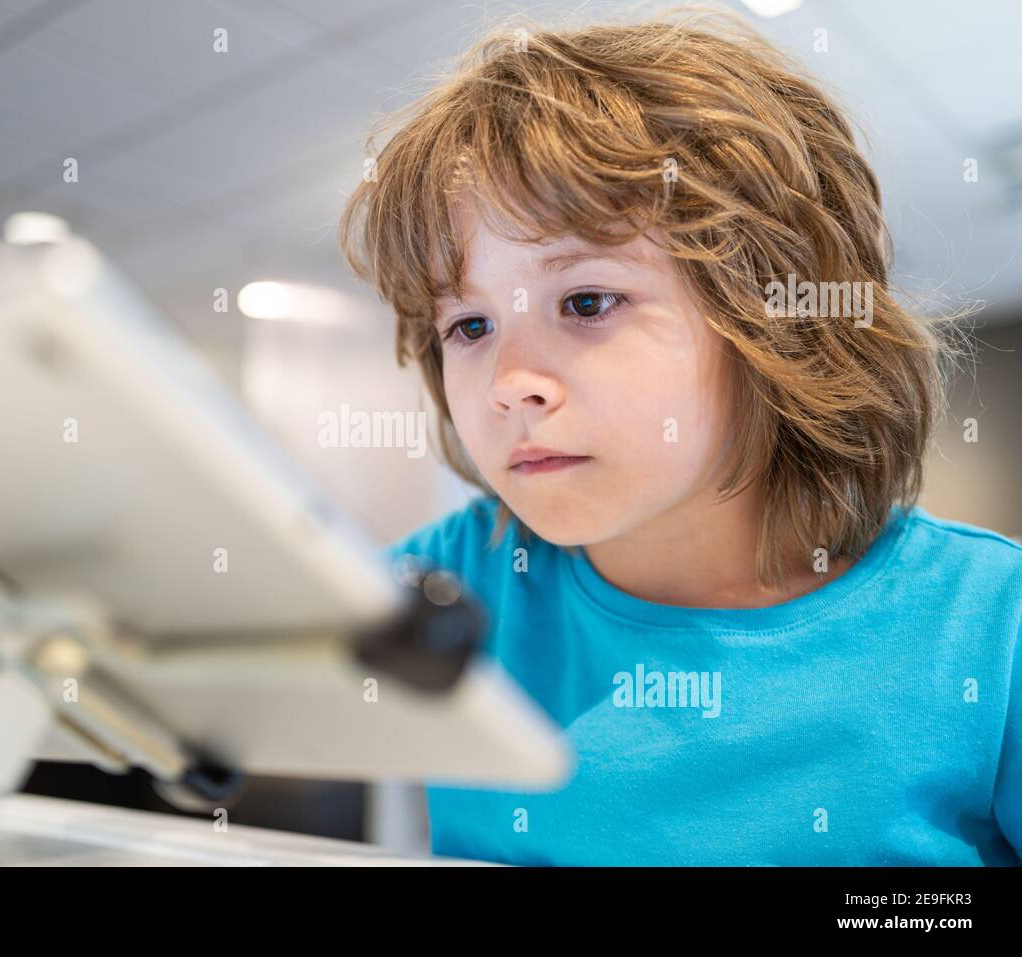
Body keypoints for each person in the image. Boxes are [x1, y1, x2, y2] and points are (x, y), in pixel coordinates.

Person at [339, 12, 1021, 865]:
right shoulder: (447, 589)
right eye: (470, 325)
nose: (511, 383)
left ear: (776, 317)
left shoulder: (992, 628)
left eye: (586, 302)